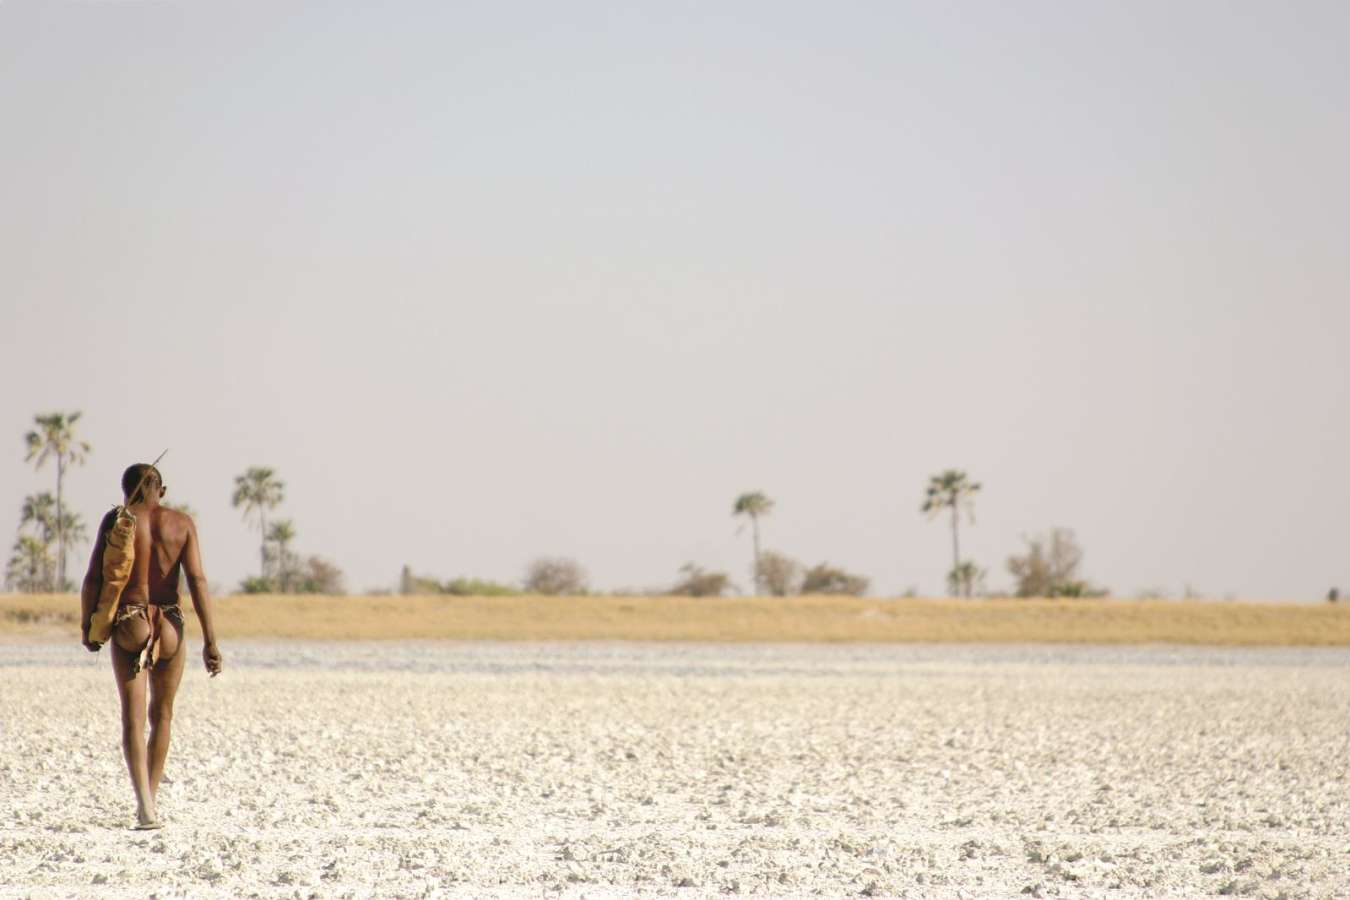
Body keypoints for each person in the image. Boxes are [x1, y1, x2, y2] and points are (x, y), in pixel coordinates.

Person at [80, 463, 223, 829]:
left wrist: (88, 626)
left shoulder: (119, 519)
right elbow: (197, 580)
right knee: (162, 715)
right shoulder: (183, 523)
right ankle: (153, 800)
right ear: (162, 489)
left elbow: (95, 577)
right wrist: (211, 640)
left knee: (133, 717)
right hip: (171, 624)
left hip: (131, 621)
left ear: (126, 490)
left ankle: (144, 805)